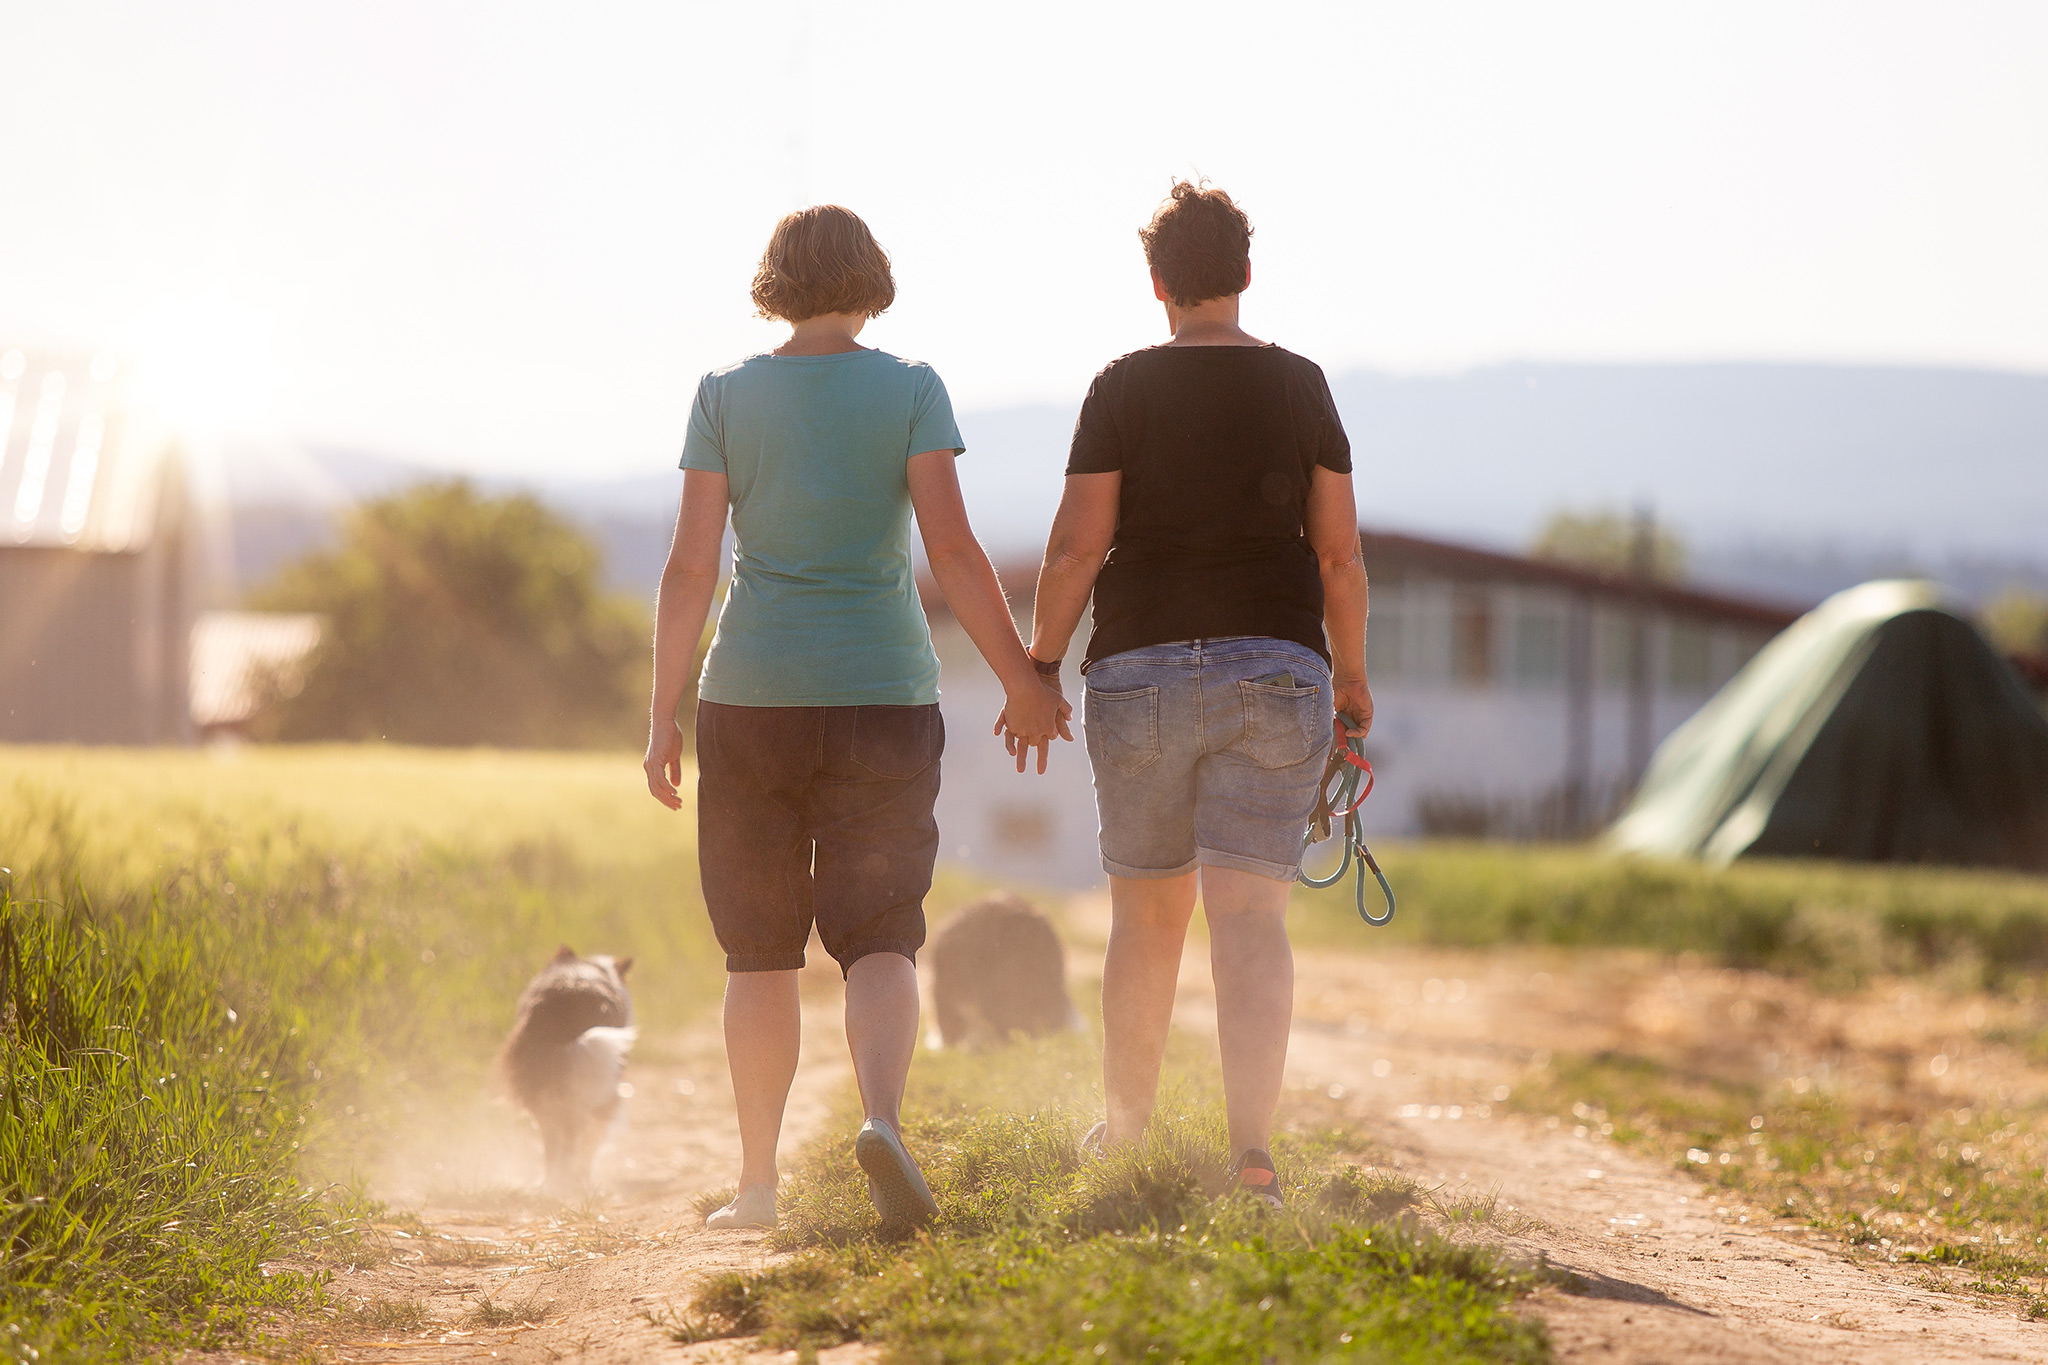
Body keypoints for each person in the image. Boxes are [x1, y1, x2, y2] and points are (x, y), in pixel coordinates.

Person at [644, 205, 1070, 1231]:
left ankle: (756, 1186)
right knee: (880, 936)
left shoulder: (722, 397)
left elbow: (692, 565)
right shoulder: (910, 389)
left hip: (748, 699)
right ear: (870, 279)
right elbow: (955, 554)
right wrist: (1021, 678)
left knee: (759, 950)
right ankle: (880, 1118)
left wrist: (659, 715)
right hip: (882, 692)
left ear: (775, 282)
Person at [1006, 182, 1372, 1207]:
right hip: (1276, 671)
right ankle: (1250, 1152)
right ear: (1245, 276)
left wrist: (1038, 664)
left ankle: (1124, 1135)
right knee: (1249, 918)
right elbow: (1337, 556)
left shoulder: (1120, 387)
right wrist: (1349, 682)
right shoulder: (1300, 386)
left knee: (1146, 916)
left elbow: (1078, 545)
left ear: (1157, 284)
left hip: (1140, 673)